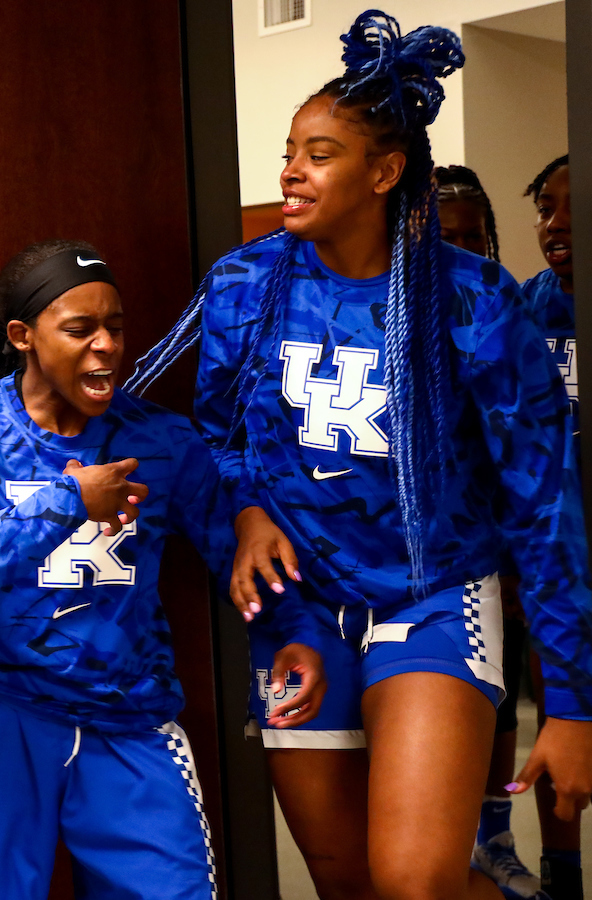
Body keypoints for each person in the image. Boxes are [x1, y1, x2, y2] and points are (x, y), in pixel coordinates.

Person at [128, 12, 592, 900]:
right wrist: (251, 510)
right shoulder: (243, 284)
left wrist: (571, 700)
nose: (292, 170)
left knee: (414, 882)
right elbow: (217, 445)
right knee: (351, 889)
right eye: (290, 150)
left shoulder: (473, 299)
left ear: (384, 172)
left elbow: (543, 502)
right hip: (297, 616)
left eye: (321, 152)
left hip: (431, 599)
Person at [0, 240, 326, 900]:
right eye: (80, 329)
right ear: (23, 336)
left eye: (115, 328)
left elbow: (231, 550)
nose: (106, 346)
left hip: (130, 721)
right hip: (3, 712)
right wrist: (69, 502)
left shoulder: (162, 440)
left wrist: (294, 630)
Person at [432, 164, 543, 899]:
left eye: (476, 234)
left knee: (501, 695)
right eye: (451, 235)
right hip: (429, 557)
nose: (467, 247)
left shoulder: (503, 308)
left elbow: (524, 459)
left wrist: (510, 565)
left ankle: (496, 834)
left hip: (498, 541)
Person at [519, 154, 584, 900]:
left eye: (571, 208)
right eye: (544, 208)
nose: (555, 224)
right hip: (555, 560)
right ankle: (561, 874)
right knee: (560, 713)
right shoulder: (529, 310)